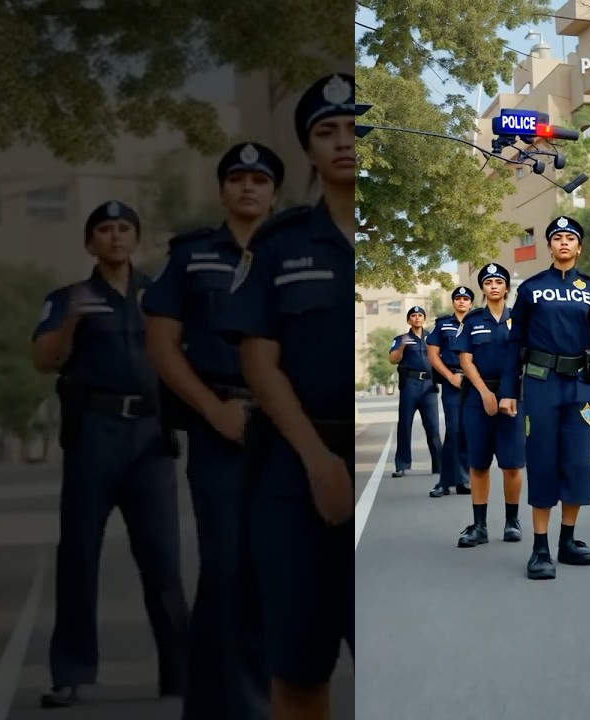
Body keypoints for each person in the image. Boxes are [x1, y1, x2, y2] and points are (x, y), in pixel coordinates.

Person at [220, 72, 357, 719]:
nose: (343, 142)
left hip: (378, 459)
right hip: (298, 472)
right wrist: (318, 461)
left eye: (356, 129)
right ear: (308, 151)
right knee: (301, 673)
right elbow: (257, 359)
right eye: (326, 132)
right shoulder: (282, 245)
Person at [142, 141, 285, 717]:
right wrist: (210, 409)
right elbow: (161, 344)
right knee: (227, 565)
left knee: (271, 566)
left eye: (259, 178)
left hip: (287, 428)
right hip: (220, 424)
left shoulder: (298, 252)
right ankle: (245, 707)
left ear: (275, 191)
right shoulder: (192, 256)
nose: (248, 186)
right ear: (223, 189)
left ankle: (209, 702)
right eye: (237, 178)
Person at [31, 201, 188, 708]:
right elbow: (44, 359)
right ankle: (70, 674)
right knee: (79, 555)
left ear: (135, 238)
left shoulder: (158, 295)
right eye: (104, 229)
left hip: (150, 436)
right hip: (94, 435)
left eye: (124, 228)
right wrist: (72, 324)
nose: (115, 236)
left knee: (163, 560)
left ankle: (180, 674)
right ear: (90, 242)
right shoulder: (69, 298)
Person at [499, 215, 590, 580]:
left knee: (577, 464)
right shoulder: (530, 289)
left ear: (579, 247)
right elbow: (515, 343)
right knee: (543, 462)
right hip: (541, 383)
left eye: (570, 238)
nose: (563, 243)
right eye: (557, 237)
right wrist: (509, 391)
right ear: (549, 246)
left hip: (579, 386)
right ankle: (540, 547)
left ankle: (569, 541)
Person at [452, 263, 525, 547]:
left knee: (512, 465)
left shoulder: (519, 320)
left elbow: (522, 360)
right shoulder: (472, 320)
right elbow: (465, 360)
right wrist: (484, 393)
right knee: (479, 464)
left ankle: (512, 522)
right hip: (477, 397)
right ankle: (480, 526)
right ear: (482, 289)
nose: (493, 285)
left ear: (506, 287)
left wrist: (506, 393)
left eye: (498, 281)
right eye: (488, 282)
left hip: (513, 396)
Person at [427, 287, 474, 497]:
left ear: (471, 303)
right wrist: (449, 376)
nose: (462, 302)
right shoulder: (443, 324)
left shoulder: (479, 323)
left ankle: (463, 480)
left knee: (468, 431)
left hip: (476, 383)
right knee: (454, 431)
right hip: (453, 382)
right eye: (458, 298)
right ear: (453, 302)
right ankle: (446, 482)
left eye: (466, 299)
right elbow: (433, 355)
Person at [388, 306, 443, 478]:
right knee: (405, 424)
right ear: (408, 320)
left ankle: (439, 465)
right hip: (410, 384)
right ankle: (402, 465)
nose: (417, 318)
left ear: (424, 318)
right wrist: (402, 347)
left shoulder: (432, 338)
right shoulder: (401, 338)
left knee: (433, 427)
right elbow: (393, 359)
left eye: (420, 315)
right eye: (413, 315)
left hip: (429, 385)